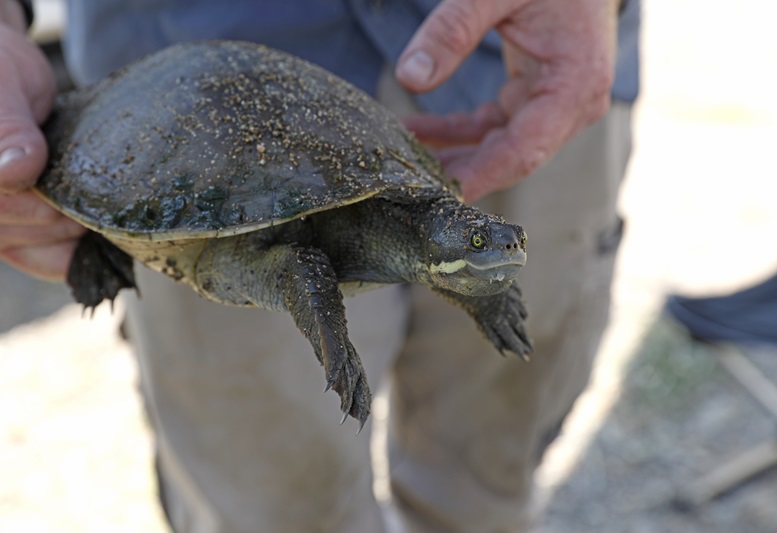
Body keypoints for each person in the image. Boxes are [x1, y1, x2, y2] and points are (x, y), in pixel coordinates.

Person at [0, 0, 640, 531]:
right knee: (272, 501)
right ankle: (111, 239)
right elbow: (300, 264)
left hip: (515, 55)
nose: (500, 250)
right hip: (178, 104)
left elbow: (434, 245)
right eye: (482, 245)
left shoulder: (433, 219)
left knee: (491, 466)